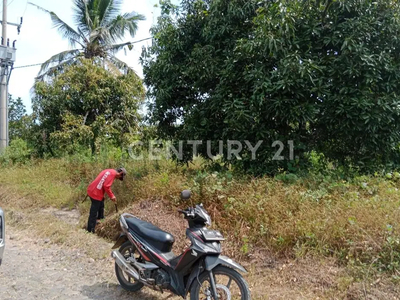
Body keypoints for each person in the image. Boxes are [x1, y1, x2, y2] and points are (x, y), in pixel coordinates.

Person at [86, 167, 127, 233]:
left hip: (93, 189)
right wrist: (112, 196)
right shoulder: (112, 174)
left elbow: (102, 182)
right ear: (120, 173)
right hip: (95, 193)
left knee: (101, 204)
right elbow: (106, 186)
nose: (117, 179)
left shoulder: (109, 171)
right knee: (93, 212)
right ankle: (90, 230)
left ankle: (100, 220)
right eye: (119, 177)